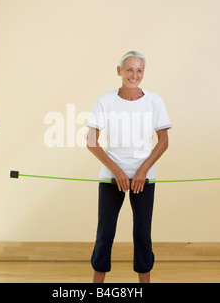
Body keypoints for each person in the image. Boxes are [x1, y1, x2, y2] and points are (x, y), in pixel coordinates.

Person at [86, 51, 172, 283]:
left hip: (144, 177)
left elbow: (163, 141)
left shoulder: (154, 101)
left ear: (144, 73)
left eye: (139, 70)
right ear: (119, 71)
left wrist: (142, 171)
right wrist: (117, 171)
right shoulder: (105, 101)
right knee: (105, 234)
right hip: (112, 176)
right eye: (129, 69)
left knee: (142, 235)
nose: (134, 75)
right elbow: (91, 142)